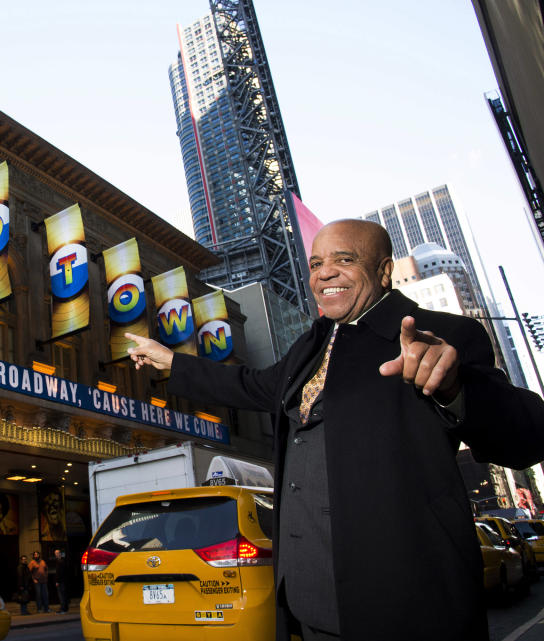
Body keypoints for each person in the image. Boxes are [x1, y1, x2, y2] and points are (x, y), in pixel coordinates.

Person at [126, 219, 544, 641]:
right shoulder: (313, 343)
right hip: (308, 603)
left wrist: (455, 387)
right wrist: (172, 362)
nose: (324, 273)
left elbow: (524, 438)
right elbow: (254, 385)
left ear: (384, 271)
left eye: (344, 260)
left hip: (403, 603)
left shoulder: (442, 335)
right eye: (316, 263)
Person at [53, 548, 70, 613]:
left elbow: (60, 572)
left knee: (62, 595)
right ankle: (64, 608)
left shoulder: (60, 562)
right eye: (55, 554)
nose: (56, 555)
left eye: (57, 553)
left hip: (61, 581)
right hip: (63, 581)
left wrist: (57, 581)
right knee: (63, 595)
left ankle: (63, 609)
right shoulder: (61, 561)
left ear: (60, 554)